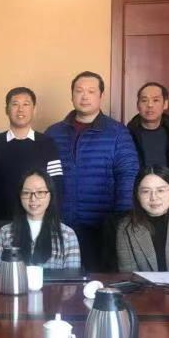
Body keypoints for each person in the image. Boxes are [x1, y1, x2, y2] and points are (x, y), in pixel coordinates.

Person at [45, 71, 140, 271]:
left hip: (102, 226)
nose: (84, 96)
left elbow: (128, 174)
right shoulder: (54, 132)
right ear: (72, 95)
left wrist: (121, 220)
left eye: (91, 91)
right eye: (79, 91)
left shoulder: (117, 132)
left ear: (101, 96)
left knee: (99, 279)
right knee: (61, 280)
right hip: (61, 224)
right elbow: (43, 177)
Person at [0, 87, 63, 261]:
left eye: (26, 104)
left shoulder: (47, 144)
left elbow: (57, 185)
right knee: (1, 272)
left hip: (39, 221)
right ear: (6, 109)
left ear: (34, 109)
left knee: (38, 269)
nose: (20, 109)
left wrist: (50, 218)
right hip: (0, 223)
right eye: (15, 104)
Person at [0, 170, 81, 272]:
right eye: (26, 193)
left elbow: (72, 279)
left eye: (40, 192)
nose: (33, 198)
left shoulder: (67, 235)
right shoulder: (4, 233)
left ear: (50, 195)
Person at [127, 82, 169, 206]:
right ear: (138, 105)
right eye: (144, 100)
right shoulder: (126, 137)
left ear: (165, 104)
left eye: (156, 100)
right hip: (137, 202)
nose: (150, 105)